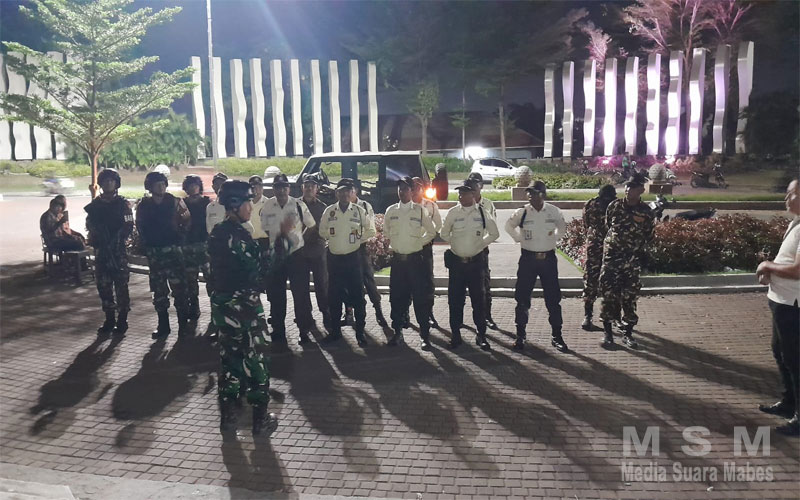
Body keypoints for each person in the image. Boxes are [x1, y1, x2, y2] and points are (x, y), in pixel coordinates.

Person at [207, 180, 278, 438]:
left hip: (223, 308)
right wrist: (274, 249)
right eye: (248, 202)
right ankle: (260, 420)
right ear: (235, 205)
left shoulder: (217, 233)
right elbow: (257, 272)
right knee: (257, 359)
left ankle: (228, 419)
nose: (251, 207)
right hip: (245, 308)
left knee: (230, 361)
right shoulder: (238, 237)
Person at [756, 178, 800, 436]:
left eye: (790, 193)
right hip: (781, 300)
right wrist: (771, 271)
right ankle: (789, 402)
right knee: (781, 352)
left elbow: (797, 270)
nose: (786, 198)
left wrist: (767, 266)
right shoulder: (796, 222)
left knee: (795, 359)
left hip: (793, 305)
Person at [504, 181, 568, 353]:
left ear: (543, 194)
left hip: (548, 260)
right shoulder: (522, 212)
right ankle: (520, 335)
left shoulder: (553, 211)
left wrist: (553, 239)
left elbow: (562, 228)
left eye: (534, 192)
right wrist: (518, 238)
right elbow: (508, 226)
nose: (530, 196)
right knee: (522, 299)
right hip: (528, 260)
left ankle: (557, 336)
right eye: (529, 193)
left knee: (553, 299)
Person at [440, 180, 499, 351]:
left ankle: (481, 335)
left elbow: (494, 233)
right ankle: (456, 335)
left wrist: (480, 244)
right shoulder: (453, 212)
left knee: (478, 301)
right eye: (459, 193)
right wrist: (456, 243)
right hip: (457, 265)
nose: (461, 196)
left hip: (475, 264)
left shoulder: (482, 212)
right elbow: (444, 233)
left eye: (464, 193)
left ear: (472, 194)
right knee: (455, 301)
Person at [598, 172, 655, 349]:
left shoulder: (646, 211)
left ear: (641, 190)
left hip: (631, 261)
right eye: (627, 186)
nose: (629, 189)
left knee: (629, 297)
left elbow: (649, 234)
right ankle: (608, 334)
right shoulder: (614, 206)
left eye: (633, 187)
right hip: (612, 259)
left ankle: (628, 333)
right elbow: (608, 225)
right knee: (608, 295)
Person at [319, 178, 376, 347]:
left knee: (358, 297)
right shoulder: (330, 211)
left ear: (352, 193)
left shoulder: (359, 211)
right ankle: (336, 332)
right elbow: (322, 231)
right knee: (334, 297)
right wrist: (333, 238)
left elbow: (371, 230)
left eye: (347, 191)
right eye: (341, 191)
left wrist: (358, 239)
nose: (344, 194)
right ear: (337, 193)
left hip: (353, 259)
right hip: (335, 259)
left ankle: (360, 332)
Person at [261, 173, 317, 345]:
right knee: (276, 295)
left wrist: (299, 240)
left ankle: (303, 330)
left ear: (289, 188)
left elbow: (311, 225)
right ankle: (278, 330)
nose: (281, 190)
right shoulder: (267, 206)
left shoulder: (298, 205)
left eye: (284, 187)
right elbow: (265, 229)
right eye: (278, 187)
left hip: (296, 256)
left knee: (301, 294)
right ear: (273, 189)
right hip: (277, 256)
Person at [136, 171, 191, 339]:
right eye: (156, 184)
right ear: (150, 187)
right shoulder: (144, 205)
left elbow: (187, 221)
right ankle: (163, 325)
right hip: (155, 253)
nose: (160, 187)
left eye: (162, 184)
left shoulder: (176, 202)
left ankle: (183, 326)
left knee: (180, 290)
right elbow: (140, 226)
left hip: (173, 251)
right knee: (159, 291)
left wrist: (179, 238)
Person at [383, 176, 436, 348]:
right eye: (400, 188)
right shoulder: (391, 211)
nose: (402, 191)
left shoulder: (420, 211)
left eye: (405, 188)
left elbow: (431, 232)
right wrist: (394, 244)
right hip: (398, 262)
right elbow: (386, 232)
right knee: (397, 298)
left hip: (415, 262)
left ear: (412, 191)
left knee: (420, 299)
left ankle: (424, 335)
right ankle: (397, 333)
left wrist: (418, 243)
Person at [84, 169, 133, 335]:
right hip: (102, 252)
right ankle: (109, 319)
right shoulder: (95, 205)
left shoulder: (123, 204)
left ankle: (122, 319)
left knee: (121, 286)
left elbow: (128, 224)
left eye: (111, 181)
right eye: (105, 181)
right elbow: (89, 223)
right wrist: (97, 234)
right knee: (103, 286)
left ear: (116, 183)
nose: (108, 183)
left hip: (118, 252)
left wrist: (117, 239)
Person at [298, 172, 333, 331]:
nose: (309, 189)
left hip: (318, 250)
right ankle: (306, 316)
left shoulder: (322, 207)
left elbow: (323, 228)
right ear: (302, 187)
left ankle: (326, 313)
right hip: (300, 252)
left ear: (317, 189)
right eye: (306, 186)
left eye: (312, 186)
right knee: (302, 287)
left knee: (322, 285)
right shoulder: (295, 205)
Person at [349, 186, 388, 327]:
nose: (347, 194)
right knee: (349, 283)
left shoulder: (364, 206)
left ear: (355, 191)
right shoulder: (339, 208)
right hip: (346, 251)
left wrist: (355, 238)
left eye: (350, 191)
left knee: (369, 281)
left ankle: (378, 311)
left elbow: (370, 228)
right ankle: (350, 313)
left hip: (361, 248)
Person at [581, 184, 617, 329]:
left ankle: (589, 316)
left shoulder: (590, 204)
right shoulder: (615, 205)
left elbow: (586, 224)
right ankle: (608, 316)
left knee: (592, 280)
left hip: (596, 246)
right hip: (607, 247)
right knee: (606, 282)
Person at [467, 172, 498, 329]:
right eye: (471, 184)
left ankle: (487, 316)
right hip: (464, 250)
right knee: (461, 287)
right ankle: (459, 319)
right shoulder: (463, 202)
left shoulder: (488, 204)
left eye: (476, 184)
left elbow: (492, 228)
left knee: (484, 285)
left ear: (481, 186)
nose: (473, 188)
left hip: (481, 250)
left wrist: (481, 243)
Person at [412, 176, 442, 329]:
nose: (415, 189)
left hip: (425, 248)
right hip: (410, 248)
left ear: (422, 188)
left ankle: (429, 313)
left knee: (427, 282)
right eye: (413, 186)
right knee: (408, 282)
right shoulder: (405, 206)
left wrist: (426, 237)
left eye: (418, 186)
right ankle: (405, 316)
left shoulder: (430, 205)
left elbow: (438, 225)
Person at [181, 175, 211, 326]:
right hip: (188, 245)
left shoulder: (207, 202)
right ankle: (194, 307)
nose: (193, 188)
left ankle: (215, 308)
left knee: (210, 278)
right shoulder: (182, 203)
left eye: (195, 185)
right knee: (190, 280)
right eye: (190, 185)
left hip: (204, 244)